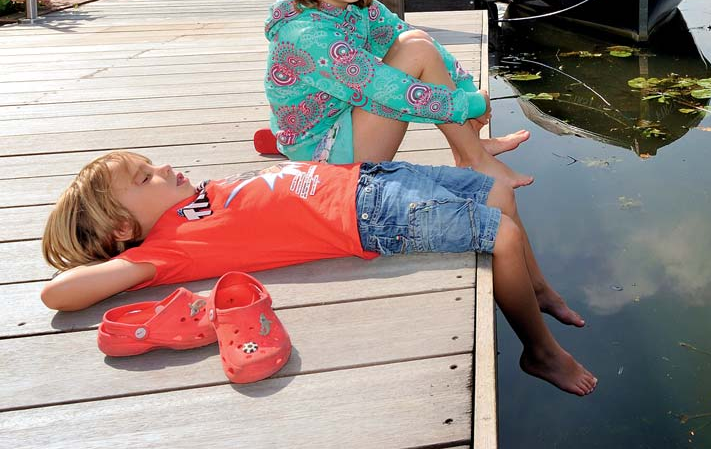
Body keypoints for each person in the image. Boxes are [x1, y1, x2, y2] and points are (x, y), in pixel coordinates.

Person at [40, 151, 597, 396]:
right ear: (119, 228)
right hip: (369, 216)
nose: (161, 166)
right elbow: (58, 294)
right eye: (145, 177)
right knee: (502, 234)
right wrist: (115, 265)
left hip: (370, 178)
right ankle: (539, 352)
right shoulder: (166, 248)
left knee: (497, 191)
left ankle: (537, 288)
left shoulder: (190, 200)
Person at [264, 0, 531, 188]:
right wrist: (469, 105)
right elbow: (394, 93)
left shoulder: (356, 9)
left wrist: (466, 89)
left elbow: (418, 42)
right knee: (416, 56)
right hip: (326, 162)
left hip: (344, 123)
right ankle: (476, 159)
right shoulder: (306, 34)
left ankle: (468, 148)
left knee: (416, 42)